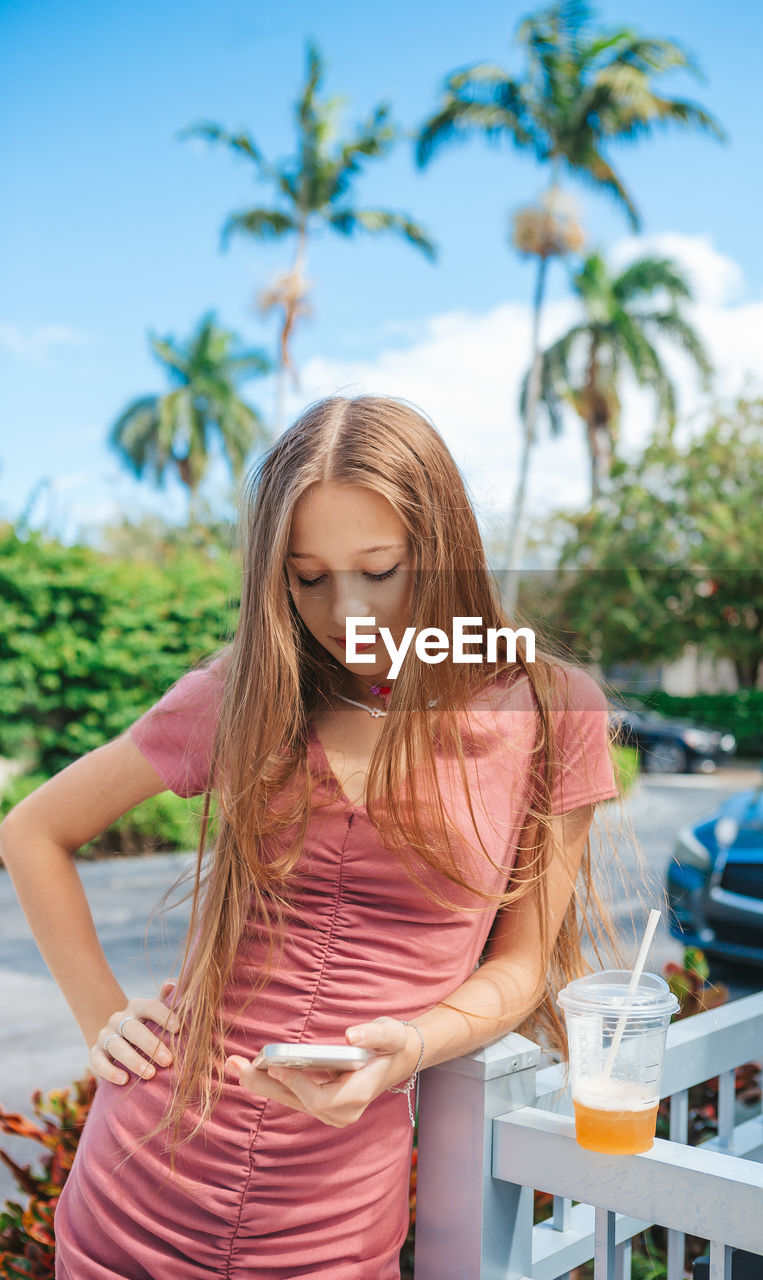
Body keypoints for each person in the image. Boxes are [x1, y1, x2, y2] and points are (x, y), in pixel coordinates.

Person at [0, 394, 621, 1279]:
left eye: (382, 568)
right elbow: (34, 830)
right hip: (137, 1185)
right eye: (308, 576)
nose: (346, 610)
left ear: (443, 552)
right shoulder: (244, 690)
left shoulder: (553, 710)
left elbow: (520, 967)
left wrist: (412, 1043)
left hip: (332, 1211)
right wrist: (102, 1016)